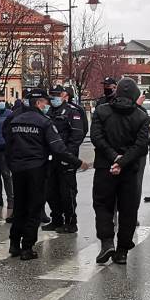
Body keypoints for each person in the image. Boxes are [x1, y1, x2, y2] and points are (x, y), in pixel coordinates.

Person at [90, 77, 150, 265]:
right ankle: (123, 250)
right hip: (130, 169)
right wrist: (123, 161)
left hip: (104, 166)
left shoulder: (101, 111)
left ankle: (107, 242)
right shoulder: (141, 116)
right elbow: (141, 146)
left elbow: (96, 138)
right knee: (128, 210)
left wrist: (113, 158)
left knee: (102, 205)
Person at [4, 87, 69, 259]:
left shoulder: (15, 120)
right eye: (46, 103)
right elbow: (57, 147)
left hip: (18, 169)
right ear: (39, 103)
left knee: (19, 207)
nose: (48, 105)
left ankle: (13, 244)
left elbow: (8, 145)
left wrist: (12, 164)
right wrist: (76, 162)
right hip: (37, 169)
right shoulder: (44, 121)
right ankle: (27, 247)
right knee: (34, 208)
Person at [45, 85, 88, 232]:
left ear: (64, 95)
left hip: (66, 157)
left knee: (67, 192)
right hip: (51, 158)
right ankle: (56, 219)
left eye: (57, 95)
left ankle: (71, 222)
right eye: (52, 95)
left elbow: (77, 136)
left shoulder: (72, 111)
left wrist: (68, 156)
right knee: (51, 191)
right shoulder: (48, 110)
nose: (54, 98)